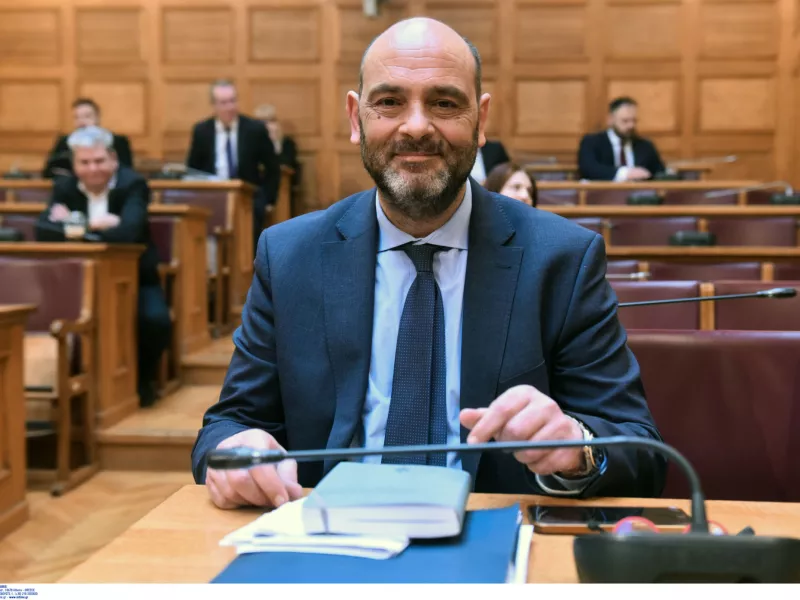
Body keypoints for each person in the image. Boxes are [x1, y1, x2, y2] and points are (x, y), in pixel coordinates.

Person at [192, 18, 667, 510]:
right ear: (356, 118)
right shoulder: (289, 255)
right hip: (331, 534)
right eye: (389, 102)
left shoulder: (562, 259)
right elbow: (227, 427)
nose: (416, 126)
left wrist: (576, 448)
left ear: (481, 120)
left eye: (444, 103)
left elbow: (641, 452)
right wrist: (234, 454)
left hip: (492, 534)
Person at [35, 126, 171, 408]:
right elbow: (43, 231)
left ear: (113, 160)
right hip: (73, 283)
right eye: (84, 162)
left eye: (99, 161)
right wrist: (96, 225)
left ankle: (140, 380)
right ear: (75, 165)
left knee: (155, 321)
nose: (93, 169)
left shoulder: (133, 184)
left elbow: (129, 232)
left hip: (136, 278)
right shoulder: (64, 187)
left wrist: (72, 223)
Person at [186, 80, 281, 255]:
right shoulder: (202, 131)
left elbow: (272, 168)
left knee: (250, 236)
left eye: (232, 101)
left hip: (247, 198)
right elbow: (192, 170)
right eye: (223, 103)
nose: (230, 107)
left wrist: (267, 200)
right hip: (213, 197)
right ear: (214, 106)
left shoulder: (255, 129)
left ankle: (250, 268)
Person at [577, 97, 665, 181]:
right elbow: (589, 169)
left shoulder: (645, 146)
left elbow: (659, 173)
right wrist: (625, 173)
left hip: (639, 191)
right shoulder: (592, 142)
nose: (631, 125)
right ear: (610, 120)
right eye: (625, 121)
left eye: (634, 121)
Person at [42, 98, 134, 179]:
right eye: (77, 117)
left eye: (87, 116)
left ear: (97, 118)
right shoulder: (64, 142)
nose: (81, 122)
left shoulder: (118, 141)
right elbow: (49, 171)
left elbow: (127, 171)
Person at [254, 104, 301, 214]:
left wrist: (274, 144)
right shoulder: (253, 144)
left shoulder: (287, 143)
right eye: (261, 122)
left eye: (270, 121)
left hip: (282, 189)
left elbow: (286, 164)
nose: (266, 126)